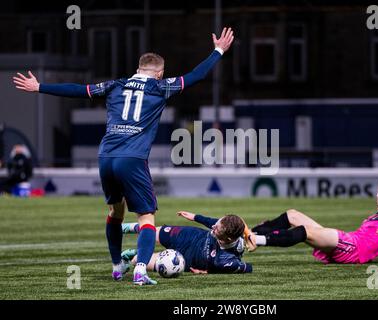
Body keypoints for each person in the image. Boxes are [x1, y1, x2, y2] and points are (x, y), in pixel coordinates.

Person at [13, 27, 235, 285]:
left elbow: (77, 89)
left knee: (115, 211)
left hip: (106, 156)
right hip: (132, 159)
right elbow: (195, 76)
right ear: (159, 72)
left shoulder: (114, 85)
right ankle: (140, 269)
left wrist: (39, 86)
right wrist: (218, 50)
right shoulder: (162, 87)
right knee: (147, 217)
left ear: (138, 68)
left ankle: (118, 265)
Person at [251, 180, 378, 264]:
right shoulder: (372, 217)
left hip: (352, 248)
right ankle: (251, 232)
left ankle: (257, 240)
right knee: (292, 214)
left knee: (305, 231)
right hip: (347, 242)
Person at [120, 211, 253, 274]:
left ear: (228, 239)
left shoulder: (224, 261)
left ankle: (132, 255)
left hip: (181, 259)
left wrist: (206, 272)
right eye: (216, 224)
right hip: (188, 235)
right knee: (150, 231)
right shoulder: (226, 228)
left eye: (217, 229)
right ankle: (121, 228)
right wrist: (195, 217)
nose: (213, 227)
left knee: (137, 261)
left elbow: (248, 268)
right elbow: (212, 222)